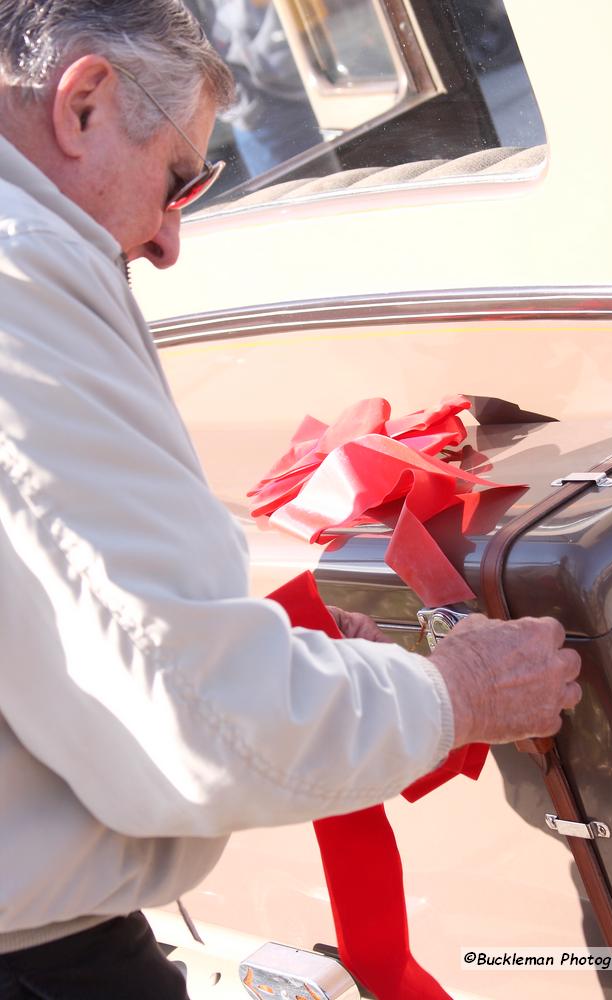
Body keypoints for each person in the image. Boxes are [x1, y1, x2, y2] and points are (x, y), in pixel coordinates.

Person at [0, 2, 581, 997]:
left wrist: (295, 653)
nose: (169, 241)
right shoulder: (22, 277)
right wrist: (455, 694)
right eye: (182, 179)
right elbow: (191, 714)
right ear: (84, 104)